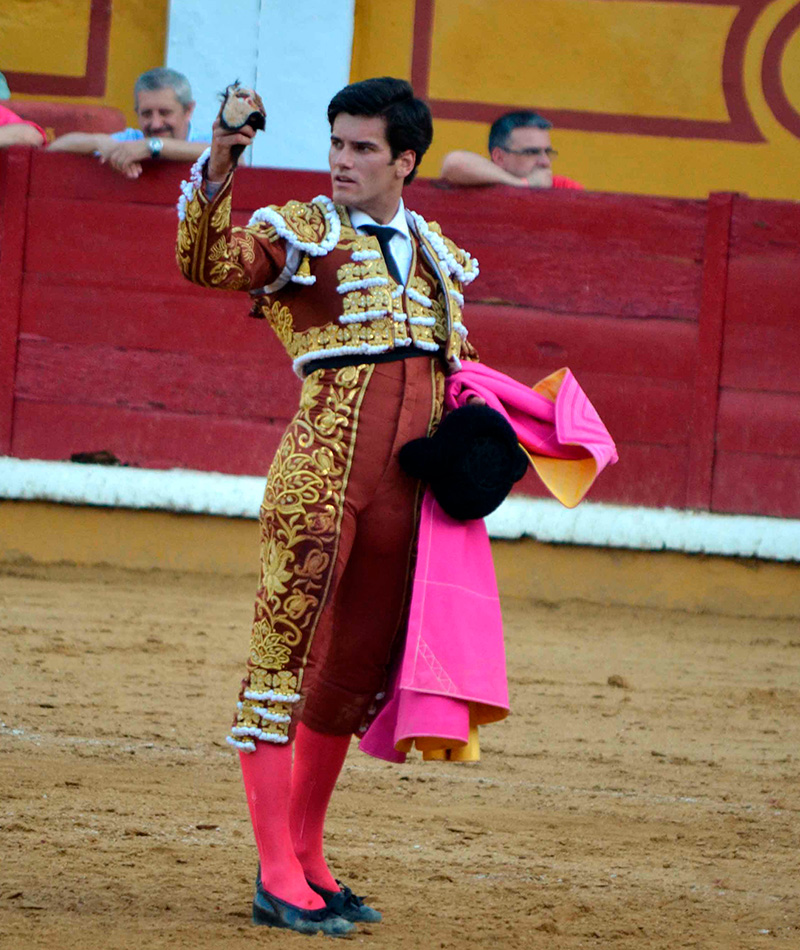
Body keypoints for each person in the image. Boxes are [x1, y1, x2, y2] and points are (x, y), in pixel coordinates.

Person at [176, 76, 480, 936]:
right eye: (335, 144)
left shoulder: (437, 256)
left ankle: (309, 856)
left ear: (405, 160)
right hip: (319, 484)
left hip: (401, 498)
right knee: (279, 668)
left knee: (348, 680)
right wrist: (225, 154)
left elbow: (457, 370)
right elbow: (207, 262)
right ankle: (276, 871)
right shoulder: (299, 231)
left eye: (362, 149)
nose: (341, 161)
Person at [48, 67, 209, 179]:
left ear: (188, 110)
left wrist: (153, 146)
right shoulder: (132, 140)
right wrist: (99, 142)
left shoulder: (205, 142)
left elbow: (228, 154)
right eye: (146, 114)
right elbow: (54, 148)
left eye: (165, 113)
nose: (155, 124)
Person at [441, 109, 583, 190]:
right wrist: (524, 184)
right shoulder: (480, 181)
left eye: (547, 152)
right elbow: (454, 162)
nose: (545, 162)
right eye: (531, 152)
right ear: (499, 157)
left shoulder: (562, 187)